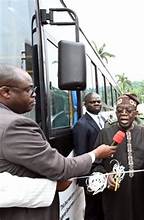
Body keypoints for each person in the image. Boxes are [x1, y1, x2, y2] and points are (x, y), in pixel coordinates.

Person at [0, 64, 116, 220]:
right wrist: (95, 154)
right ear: (6, 92)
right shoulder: (15, 126)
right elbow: (61, 168)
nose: (34, 95)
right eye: (28, 90)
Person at [93, 93, 144, 220]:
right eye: (119, 110)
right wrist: (105, 176)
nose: (123, 113)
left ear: (135, 113)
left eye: (128, 110)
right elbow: (96, 164)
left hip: (141, 193)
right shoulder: (104, 134)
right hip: (115, 196)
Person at [73, 92, 105, 220]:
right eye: (93, 102)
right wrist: (86, 179)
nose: (97, 103)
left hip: (103, 172)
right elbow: (81, 153)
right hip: (92, 176)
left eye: (98, 101)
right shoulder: (81, 125)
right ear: (85, 105)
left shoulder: (102, 119)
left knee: (102, 208)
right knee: (93, 210)